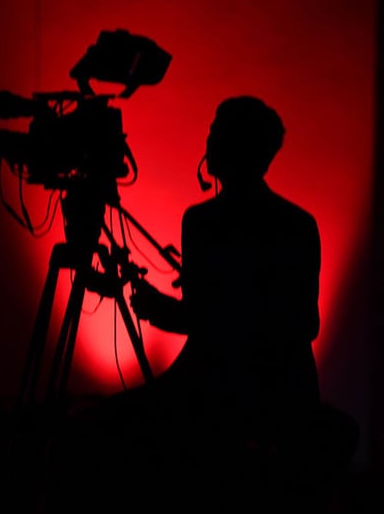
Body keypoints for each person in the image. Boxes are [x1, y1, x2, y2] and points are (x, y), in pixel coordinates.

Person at [129, 94, 322, 439]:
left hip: (218, 399)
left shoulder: (203, 221)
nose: (208, 141)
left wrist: (157, 310)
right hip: (287, 398)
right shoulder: (300, 223)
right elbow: (303, 324)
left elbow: (205, 324)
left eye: (215, 132)